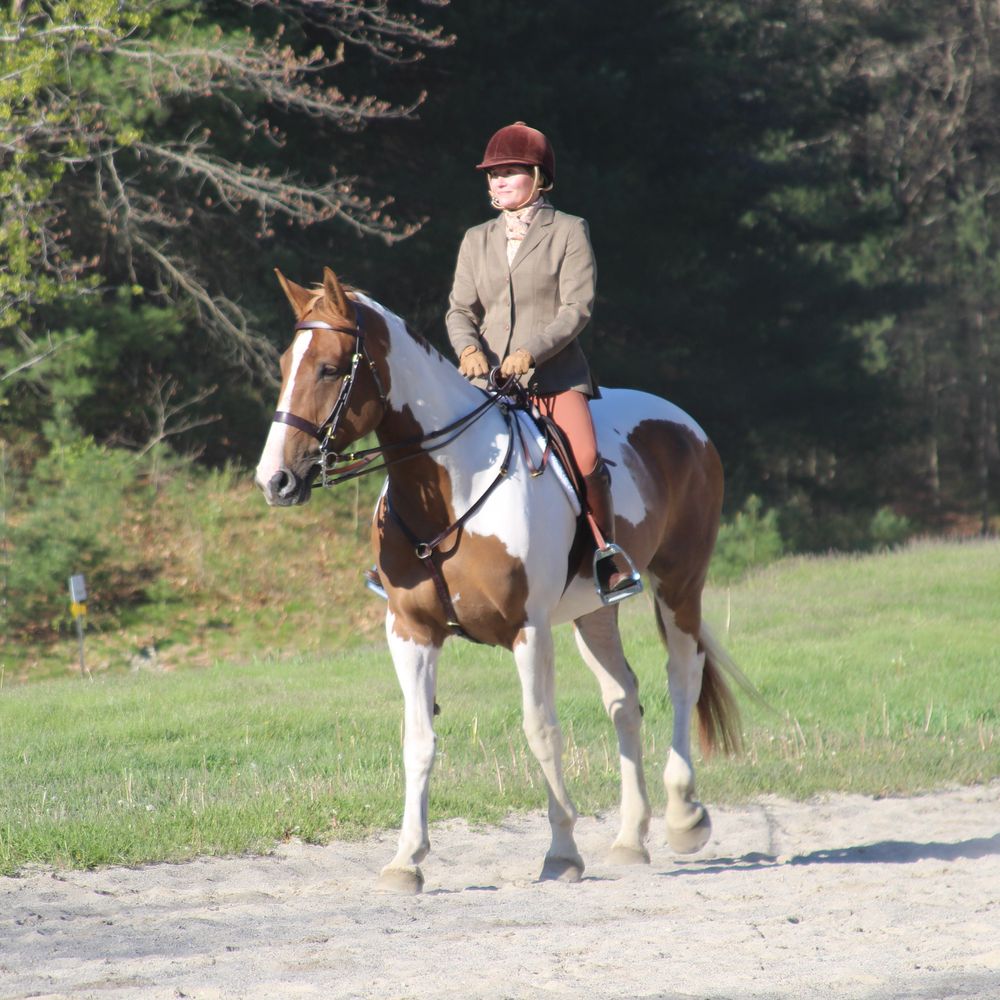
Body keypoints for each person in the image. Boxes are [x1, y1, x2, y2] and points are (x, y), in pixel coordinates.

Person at [445, 121, 640, 601]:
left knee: (588, 459)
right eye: (492, 174)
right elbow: (459, 310)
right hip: (484, 381)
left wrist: (530, 352)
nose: (499, 180)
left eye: (510, 171)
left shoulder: (569, 230)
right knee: (430, 443)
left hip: (552, 378)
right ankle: (404, 551)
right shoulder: (476, 239)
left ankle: (605, 555)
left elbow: (577, 308)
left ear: (539, 176)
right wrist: (468, 349)